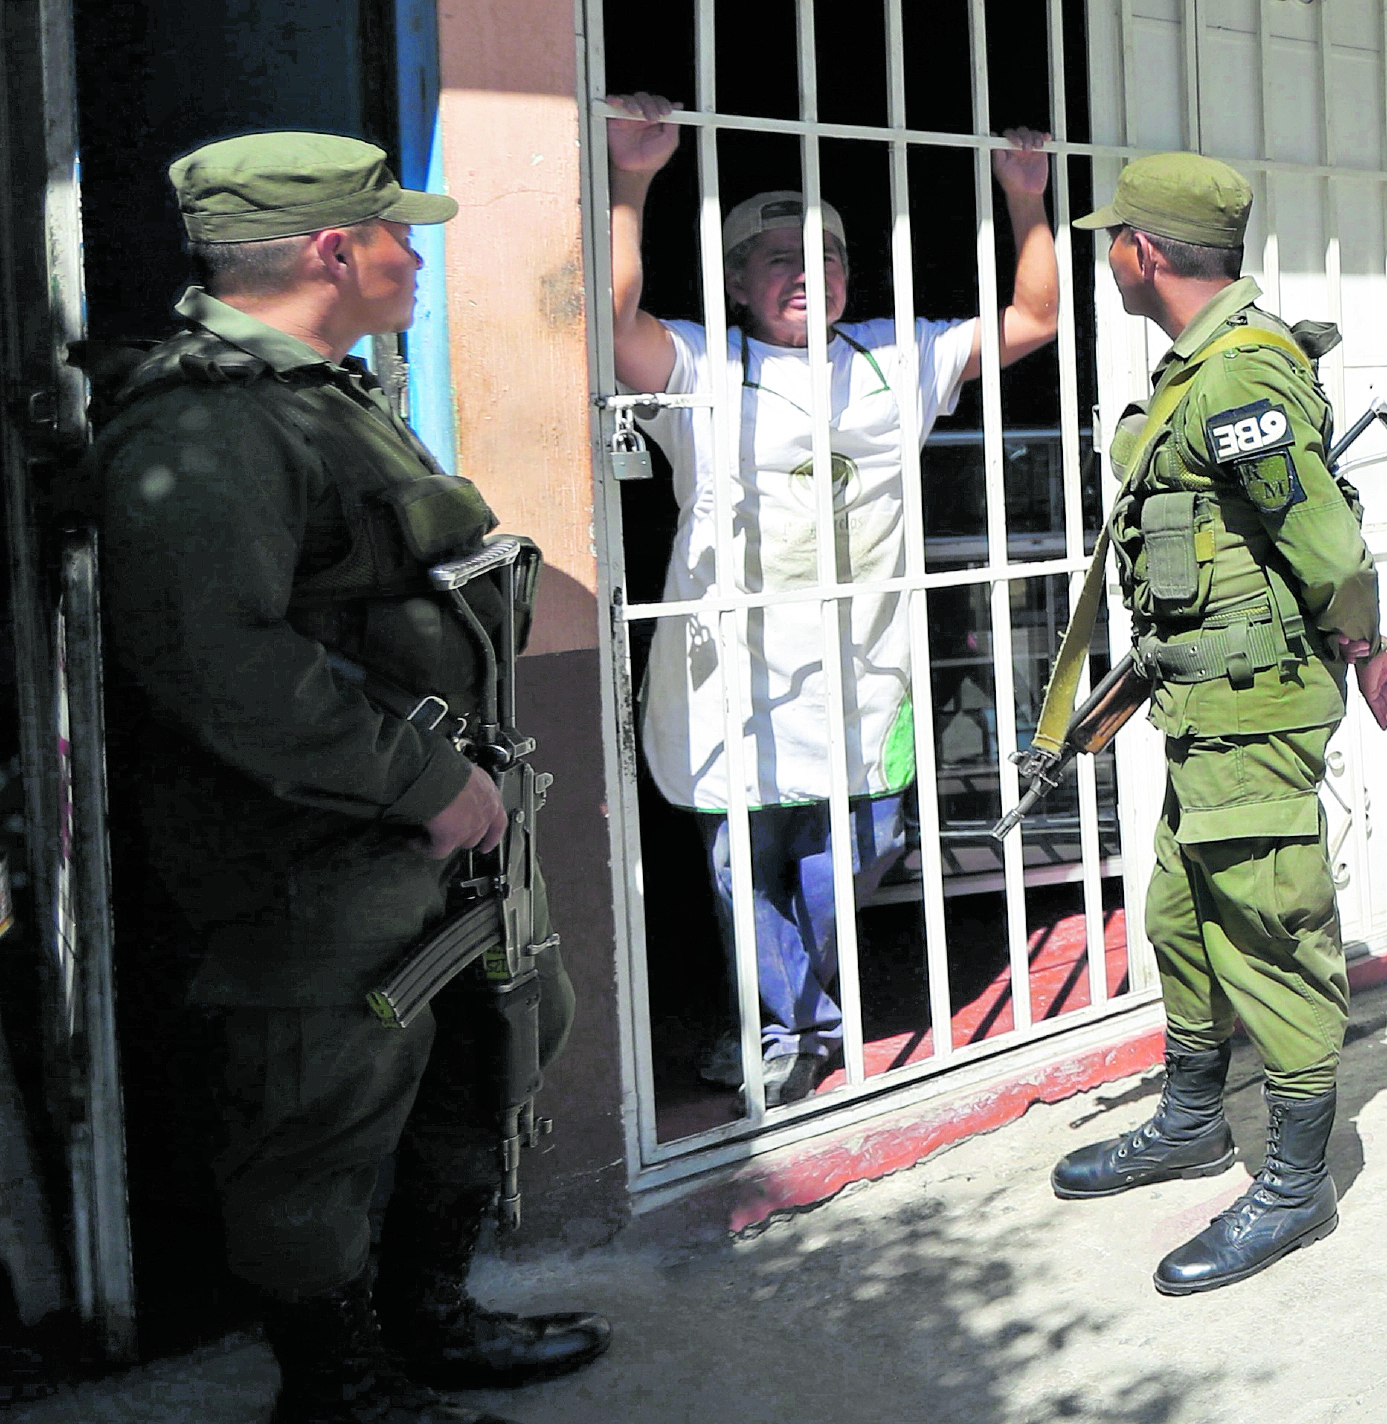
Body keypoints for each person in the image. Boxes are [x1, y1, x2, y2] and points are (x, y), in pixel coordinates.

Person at [87, 133, 607, 1424]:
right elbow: (219, 662)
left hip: (421, 848)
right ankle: (335, 1388)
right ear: (333, 251)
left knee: (500, 1042)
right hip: (313, 862)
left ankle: (428, 1320)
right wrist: (418, 778)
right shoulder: (203, 426)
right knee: (315, 1128)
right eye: (398, 234)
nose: (416, 256)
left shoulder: (328, 392)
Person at [605, 95, 1060, 1106]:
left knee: (861, 848)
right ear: (733, 280)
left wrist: (1026, 201)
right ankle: (793, 1026)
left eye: (827, 254)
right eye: (777, 256)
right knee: (741, 861)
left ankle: (788, 1008)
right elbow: (612, 316)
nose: (808, 271)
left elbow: (1036, 317)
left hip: (866, 668)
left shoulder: (897, 358)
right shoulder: (702, 365)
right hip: (734, 672)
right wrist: (630, 179)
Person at [1046, 152, 1387, 1295]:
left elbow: (1324, 545)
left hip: (1253, 706)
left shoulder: (1237, 378)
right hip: (1206, 701)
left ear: (1145, 252)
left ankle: (1297, 1182)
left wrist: (1362, 640)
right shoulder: (1196, 369)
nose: (1107, 252)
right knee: (1182, 909)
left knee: (1269, 918)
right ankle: (1194, 1119)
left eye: (1114, 237)